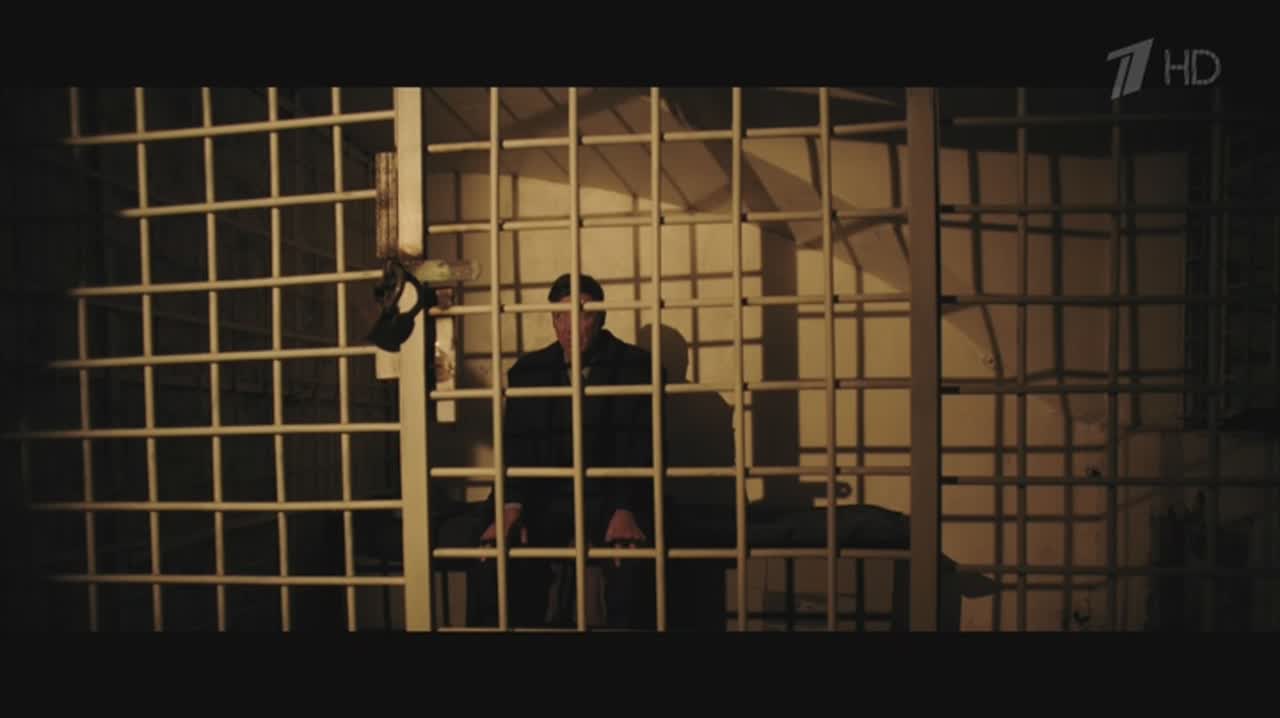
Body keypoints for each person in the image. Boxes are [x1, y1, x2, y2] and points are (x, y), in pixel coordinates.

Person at [467, 272, 657, 629]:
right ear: (552, 321)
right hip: (544, 494)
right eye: (560, 316)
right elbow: (515, 446)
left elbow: (644, 445)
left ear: (601, 317)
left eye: (582, 314)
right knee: (492, 553)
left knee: (633, 561)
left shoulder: (636, 367)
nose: (569, 327)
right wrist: (511, 505)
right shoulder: (529, 371)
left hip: (610, 492)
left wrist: (625, 506)